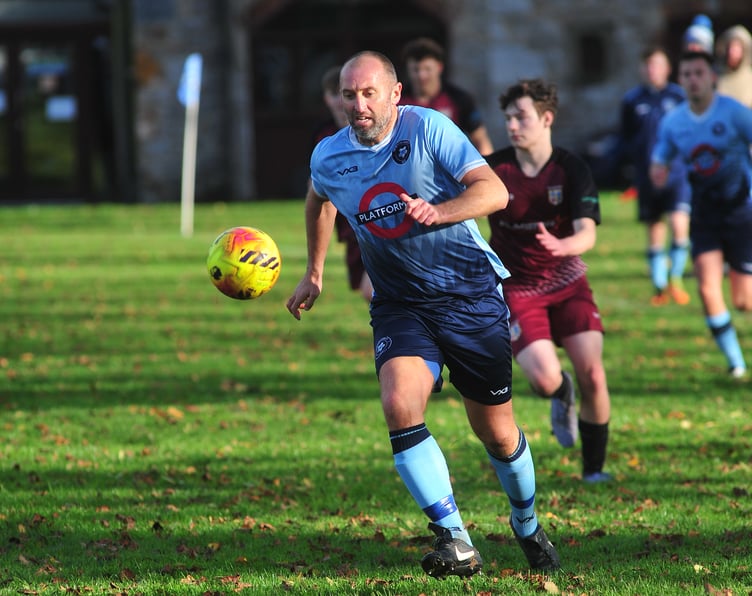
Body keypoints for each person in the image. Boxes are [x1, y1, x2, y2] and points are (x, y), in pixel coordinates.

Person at [287, 51, 560, 579]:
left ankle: (526, 522)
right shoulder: (329, 155)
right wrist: (314, 272)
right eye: (349, 95)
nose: (358, 105)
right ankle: (455, 538)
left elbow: (495, 192)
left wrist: (441, 210)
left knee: (497, 434)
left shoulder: (429, 127)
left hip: (470, 297)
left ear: (394, 94)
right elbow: (318, 199)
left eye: (369, 93)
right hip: (400, 304)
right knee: (398, 402)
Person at [485, 79, 612, 484]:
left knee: (593, 373)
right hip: (518, 288)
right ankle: (560, 393)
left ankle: (594, 470)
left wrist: (564, 245)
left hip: (567, 281)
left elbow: (588, 232)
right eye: (507, 118)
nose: (512, 125)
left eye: (520, 116)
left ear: (547, 118)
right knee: (543, 380)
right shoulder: (494, 169)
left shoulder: (571, 168)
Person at [651, 50, 752, 378]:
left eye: (698, 73)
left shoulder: (735, 113)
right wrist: (658, 171)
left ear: (712, 78)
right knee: (708, 289)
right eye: (686, 74)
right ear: (680, 81)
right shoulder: (674, 121)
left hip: (742, 211)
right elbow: (661, 156)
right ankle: (736, 364)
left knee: (743, 300)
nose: (693, 80)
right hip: (705, 214)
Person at [617, 46, 691, 306]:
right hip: (647, 176)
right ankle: (659, 286)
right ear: (642, 68)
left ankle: (676, 279)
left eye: (658, 64)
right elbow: (625, 138)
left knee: (680, 226)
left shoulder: (680, 97)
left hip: (677, 174)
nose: (653, 70)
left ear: (667, 68)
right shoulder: (632, 100)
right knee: (655, 229)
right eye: (648, 65)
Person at [312, 65, 373, 303]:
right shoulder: (323, 137)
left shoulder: (370, 129)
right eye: (336, 94)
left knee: (374, 290)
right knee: (368, 291)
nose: (341, 101)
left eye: (345, 94)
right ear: (327, 99)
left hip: (375, 219)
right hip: (348, 228)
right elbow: (317, 184)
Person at [399, 37, 493, 155]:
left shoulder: (459, 99)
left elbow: (481, 140)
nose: (421, 75)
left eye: (427, 69)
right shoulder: (397, 100)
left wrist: (488, 168)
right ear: (408, 69)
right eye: (415, 69)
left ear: (439, 67)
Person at [715, 25, 752, 108]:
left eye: (737, 48)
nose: (732, 52)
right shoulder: (716, 76)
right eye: (731, 47)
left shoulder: (749, 79)